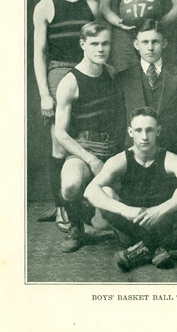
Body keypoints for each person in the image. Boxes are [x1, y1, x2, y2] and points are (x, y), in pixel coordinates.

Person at [84, 107, 177, 271]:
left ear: (158, 131)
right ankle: (156, 248)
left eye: (150, 130)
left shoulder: (171, 159)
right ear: (130, 132)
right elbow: (89, 191)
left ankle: (139, 250)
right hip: (130, 229)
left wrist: (159, 211)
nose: (144, 137)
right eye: (138, 130)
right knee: (105, 191)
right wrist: (124, 210)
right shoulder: (119, 160)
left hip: (164, 228)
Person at [33, 0, 99, 230]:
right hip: (59, 72)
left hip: (86, 72)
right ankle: (61, 207)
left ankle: (81, 200)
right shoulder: (45, 5)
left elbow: (98, 47)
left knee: (85, 132)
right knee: (59, 141)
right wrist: (44, 93)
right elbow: (39, 53)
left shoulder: (92, 5)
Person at [54, 21, 125, 253]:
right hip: (83, 149)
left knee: (104, 222)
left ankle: (93, 206)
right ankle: (75, 226)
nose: (101, 49)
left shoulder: (112, 73)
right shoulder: (70, 82)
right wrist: (91, 159)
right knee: (70, 185)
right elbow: (60, 133)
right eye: (94, 44)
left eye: (105, 43)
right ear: (83, 44)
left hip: (112, 150)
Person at [117, 18, 177, 159]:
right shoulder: (123, 78)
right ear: (136, 44)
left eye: (155, 42)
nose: (150, 48)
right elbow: (118, 121)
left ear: (164, 43)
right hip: (133, 154)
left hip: (171, 152)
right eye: (145, 42)